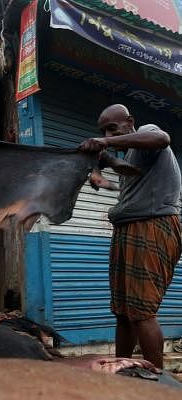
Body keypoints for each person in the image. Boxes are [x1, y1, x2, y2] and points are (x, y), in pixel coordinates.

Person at [79, 104, 182, 369]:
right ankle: (120, 369)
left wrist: (104, 142)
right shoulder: (130, 157)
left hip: (151, 225)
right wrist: (100, 167)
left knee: (142, 312)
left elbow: (162, 139)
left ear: (130, 122)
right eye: (103, 130)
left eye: (112, 128)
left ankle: (157, 382)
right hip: (127, 228)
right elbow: (128, 178)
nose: (108, 134)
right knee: (124, 312)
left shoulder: (147, 133)